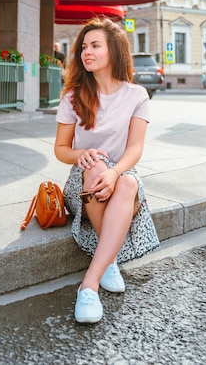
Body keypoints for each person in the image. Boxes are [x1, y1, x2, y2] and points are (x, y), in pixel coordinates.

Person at [54, 17, 160, 324]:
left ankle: (91, 279)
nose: (86, 52)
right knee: (96, 166)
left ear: (113, 51)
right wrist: (81, 153)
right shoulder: (73, 96)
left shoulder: (137, 95)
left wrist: (115, 174)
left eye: (95, 45)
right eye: (84, 47)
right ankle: (102, 269)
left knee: (127, 184)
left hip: (122, 173)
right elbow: (60, 149)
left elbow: (135, 148)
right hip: (83, 182)